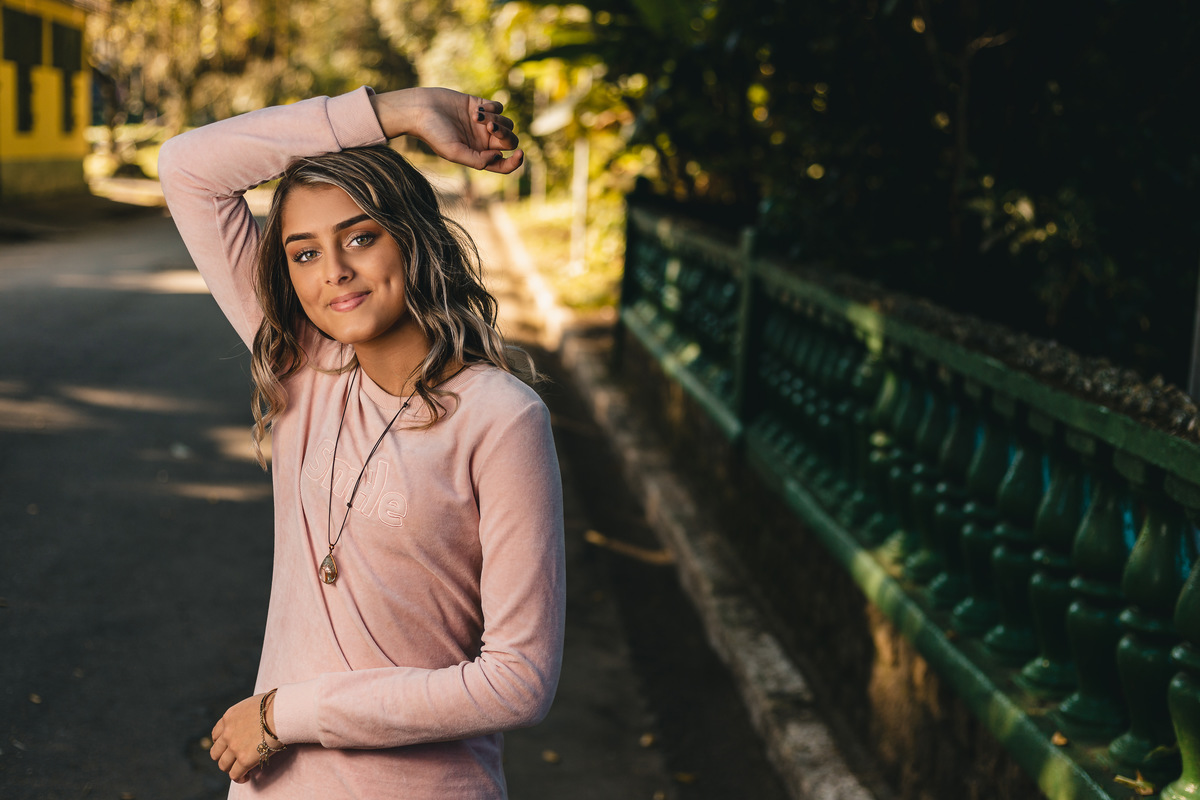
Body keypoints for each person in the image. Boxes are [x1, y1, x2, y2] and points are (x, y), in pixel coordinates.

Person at [157, 86, 565, 798]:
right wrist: (402, 111)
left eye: (360, 236)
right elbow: (190, 167)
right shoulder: (305, 369)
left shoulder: (502, 419)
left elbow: (518, 681)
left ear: (411, 237)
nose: (334, 272)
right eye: (304, 252)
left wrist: (290, 713)